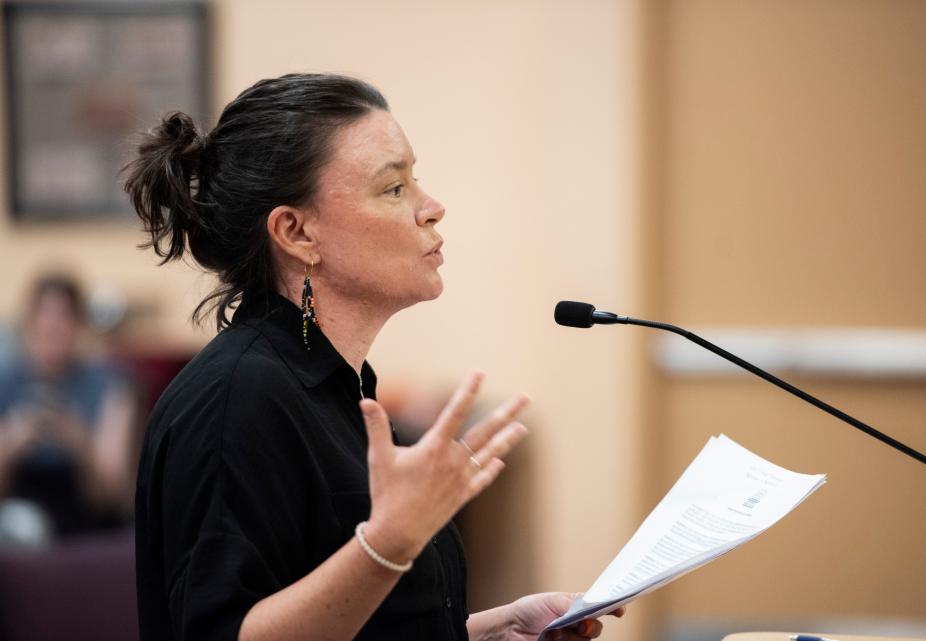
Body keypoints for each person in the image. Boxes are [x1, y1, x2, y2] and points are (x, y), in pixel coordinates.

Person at [125, 73, 624, 641]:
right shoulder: (235, 401)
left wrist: (490, 631)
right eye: (393, 189)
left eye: (416, 179)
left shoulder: (339, 384)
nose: (432, 207)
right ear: (296, 232)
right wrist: (390, 541)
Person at [0, 274, 136, 538]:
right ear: (27, 325)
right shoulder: (5, 382)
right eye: (44, 320)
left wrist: (77, 441)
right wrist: (13, 442)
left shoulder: (111, 386)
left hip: (89, 524)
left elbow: (113, 497)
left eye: (64, 319)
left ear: (80, 326)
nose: (53, 329)